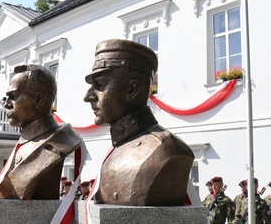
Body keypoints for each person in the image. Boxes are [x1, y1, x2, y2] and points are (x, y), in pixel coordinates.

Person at [83, 39, 194, 206]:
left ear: (131, 89)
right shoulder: (117, 147)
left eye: (99, 85)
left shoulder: (166, 150)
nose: (88, 97)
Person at [0, 64, 82, 200]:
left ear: (38, 100)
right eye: (6, 98)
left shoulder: (63, 141)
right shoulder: (24, 141)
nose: (6, 104)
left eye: (13, 96)